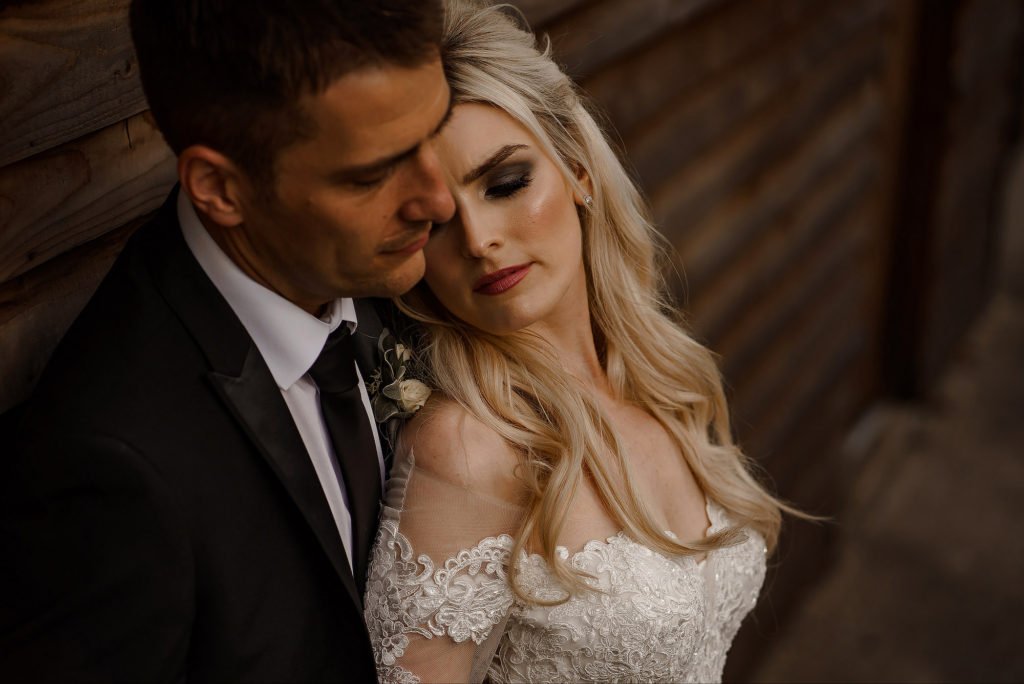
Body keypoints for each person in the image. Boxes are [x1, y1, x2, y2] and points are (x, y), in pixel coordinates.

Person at [0, 1, 454, 680]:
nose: (440, 200)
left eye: (436, 132)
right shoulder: (112, 470)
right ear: (219, 188)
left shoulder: (384, 266)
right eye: (370, 175)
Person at [361, 2, 801, 682]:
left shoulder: (653, 374)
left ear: (578, 170)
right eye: (437, 224)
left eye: (506, 183)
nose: (480, 241)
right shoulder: (470, 449)